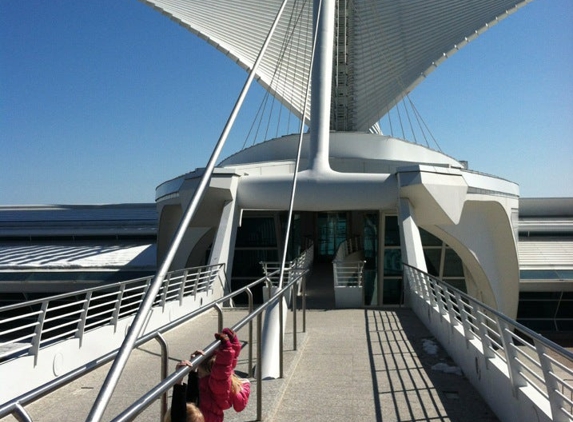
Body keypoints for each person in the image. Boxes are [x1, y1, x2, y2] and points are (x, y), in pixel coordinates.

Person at [221, 328, 250, 412]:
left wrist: (227, 346)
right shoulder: (230, 385)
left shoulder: (225, 392)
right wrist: (233, 343)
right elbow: (229, 362)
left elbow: (224, 365)